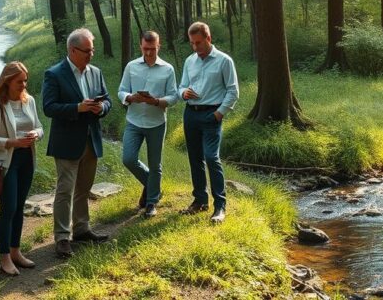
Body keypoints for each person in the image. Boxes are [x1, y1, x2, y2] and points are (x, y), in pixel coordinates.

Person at [42, 28, 111, 258]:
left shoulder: (96, 72)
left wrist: (101, 108)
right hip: (67, 142)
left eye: (93, 50)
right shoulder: (54, 74)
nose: (91, 54)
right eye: (87, 51)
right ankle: (62, 237)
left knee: (84, 188)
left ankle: (81, 229)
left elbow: (108, 100)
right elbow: (48, 107)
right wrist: (77, 108)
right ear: (73, 50)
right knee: (65, 190)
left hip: (91, 139)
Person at [0, 62, 44, 276]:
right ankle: (4, 257)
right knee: (8, 208)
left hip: (27, 160)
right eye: (19, 81)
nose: (24, 84)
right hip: (5, 164)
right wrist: (12, 142)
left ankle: (16, 251)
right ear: (7, 81)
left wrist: (36, 134)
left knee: (19, 207)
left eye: (25, 80)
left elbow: (39, 126)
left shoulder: (30, 101)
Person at [178, 21, 239, 223]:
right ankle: (200, 201)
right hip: (191, 113)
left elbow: (233, 91)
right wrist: (183, 93)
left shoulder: (224, 61)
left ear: (208, 39)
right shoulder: (189, 61)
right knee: (195, 158)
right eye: (192, 44)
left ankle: (220, 206)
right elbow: (181, 87)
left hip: (211, 115)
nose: (196, 48)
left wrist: (219, 114)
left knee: (212, 158)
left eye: (199, 43)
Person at [117, 30, 179, 218]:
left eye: (152, 49)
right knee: (128, 159)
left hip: (156, 122)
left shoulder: (167, 69)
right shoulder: (131, 66)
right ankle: (153, 186)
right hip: (134, 121)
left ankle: (151, 203)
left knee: (155, 164)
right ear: (140, 46)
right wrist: (130, 97)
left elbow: (174, 96)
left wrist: (158, 101)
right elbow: (121, 90)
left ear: (158, 46)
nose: (149, 53)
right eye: (145, 49)